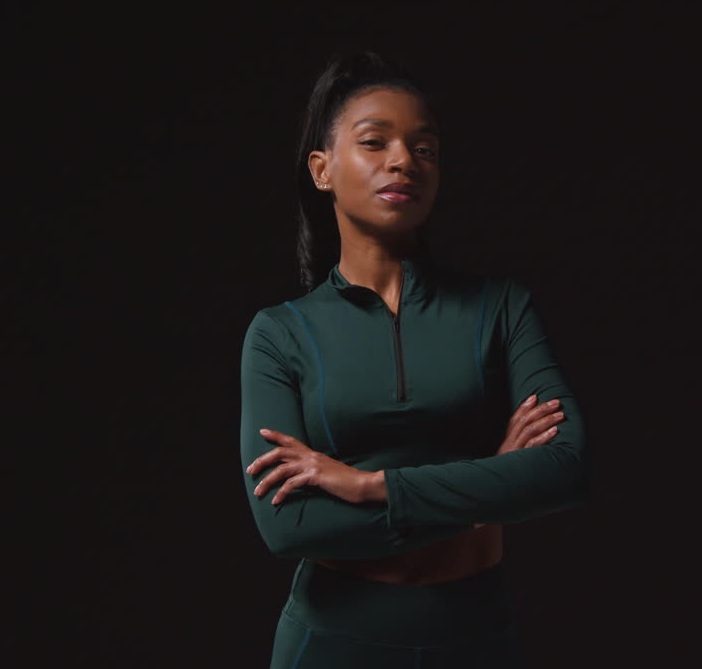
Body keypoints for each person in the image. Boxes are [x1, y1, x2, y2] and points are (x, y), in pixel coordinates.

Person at [239, 49, 590, 668]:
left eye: (423, 148)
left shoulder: (501, 309)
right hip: (331, 644)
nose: (403, 159)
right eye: (375, 142)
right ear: (322, 170)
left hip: (477, 641)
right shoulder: (279, 335)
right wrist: (490, 488)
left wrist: (370, 485)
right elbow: (290, 528)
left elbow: (566, 468)